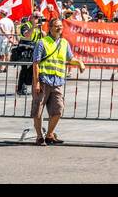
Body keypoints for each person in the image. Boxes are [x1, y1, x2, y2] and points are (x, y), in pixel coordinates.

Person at [31, 16, 85, 146]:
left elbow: (70, 58)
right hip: (43, 80)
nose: (59, 27)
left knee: (58, 110)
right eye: (56, 25)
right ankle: (39, 136)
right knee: (38, 110)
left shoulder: (64, 43)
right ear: (50, 28)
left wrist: (79, 62)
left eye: (61, 25)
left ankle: (49, 134)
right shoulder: (42, 42)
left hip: (57, 82)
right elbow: (36, 63)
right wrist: (37, 81)